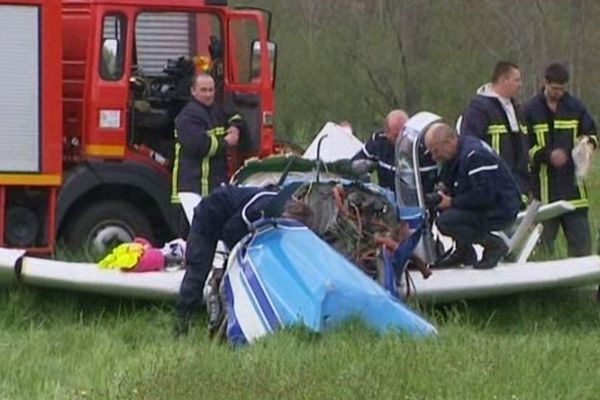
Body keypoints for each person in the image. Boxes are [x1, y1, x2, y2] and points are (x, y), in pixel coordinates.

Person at [175, 183, 313, 335]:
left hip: (229, 216)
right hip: (207, 218)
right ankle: (182, 326)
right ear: (286, 215)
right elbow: (231, 232)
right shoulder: (259, 209)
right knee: (197, 272)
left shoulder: (277, 206)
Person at [523, 63, 597, 257]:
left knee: (582, 247)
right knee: (542, 249)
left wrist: (587, 145)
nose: (559, 93)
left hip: (574, 191)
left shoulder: (576, 107)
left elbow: (591, 133)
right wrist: (547, 155)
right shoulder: (529, 110)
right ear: (545, 83)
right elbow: (523, 148)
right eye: (555, 89)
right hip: (543, 193)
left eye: (562, 89)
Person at [424, 123, 521, 269]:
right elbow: (452, 185)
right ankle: (464, 251)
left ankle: (493, 245)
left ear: (449, 142)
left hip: (501, 208)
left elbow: (485, 196)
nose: (434, 157)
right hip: (487, 203)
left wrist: (452, 202)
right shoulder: (455, 156)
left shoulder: (475, 155)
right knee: (443, 209)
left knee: (446, 221)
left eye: (436, 151)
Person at [170, 73, 245, 223]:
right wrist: (227, 142)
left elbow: (236, 116)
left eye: (211, 90)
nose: (208, 94)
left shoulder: (216, 110)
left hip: (211, 187)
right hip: (191, 191)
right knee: (193, 238)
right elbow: (199, 146)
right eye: (203, 90)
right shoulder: (187, 116)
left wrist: (235, 127)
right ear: (193, 91)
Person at [461, 61, 531, 198]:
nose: (520, 85)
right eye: (516, 80)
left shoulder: (516, 109)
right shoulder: (479, 109)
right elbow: (470, 145)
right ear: (504, 80)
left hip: (518, 186)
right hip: (493, 186)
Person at [351, 109, 409, 191]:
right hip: (386, 197)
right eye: (396, 135)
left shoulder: (418, 146)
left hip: (415, 199)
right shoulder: (378, 142)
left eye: (404, 133)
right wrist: (369, 164)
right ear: (387, 133)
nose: (401, 139)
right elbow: (355, 163)